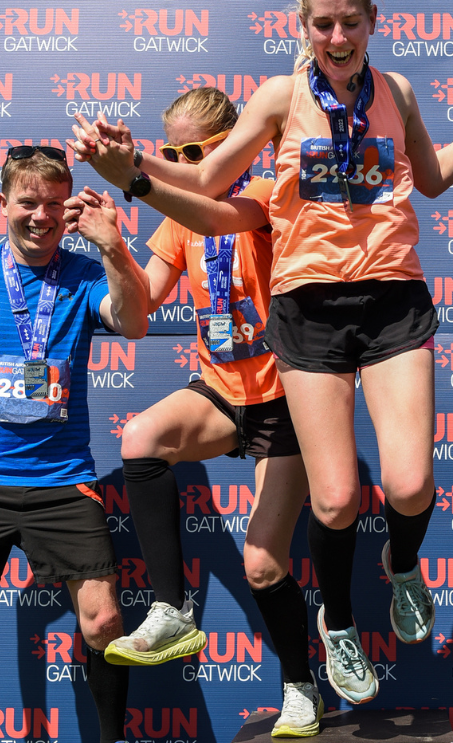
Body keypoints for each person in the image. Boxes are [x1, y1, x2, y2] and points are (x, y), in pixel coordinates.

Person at [71, 0, 453, 706]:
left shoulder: (401, 93)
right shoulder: (282, 97)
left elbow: (435, 176)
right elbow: (210, 179)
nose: (339, 34)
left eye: (352, 20)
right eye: (324, 23)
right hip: (308, 310)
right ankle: (340, 623)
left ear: (373, 22)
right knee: (334, 502)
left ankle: (404, 566)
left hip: (392, 298)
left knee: (411, 484)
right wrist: (134, 173)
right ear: (304, 27)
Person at [70, 87, 321, 736]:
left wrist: (137, 177)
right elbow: (142, 305)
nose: (182, 161)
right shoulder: (176, 217)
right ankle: (172, 609)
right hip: (220, 391)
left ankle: (301, 687)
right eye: (173, 151)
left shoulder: (262, 196)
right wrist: (112, 246)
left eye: (196, 152)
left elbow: (214, 218)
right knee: (141, 436)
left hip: (284, 398)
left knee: (263, 564)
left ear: (230, 147)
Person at [0, 146, 150, 743]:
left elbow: (134, 323)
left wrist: (113, 244)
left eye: (55, 205)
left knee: (104, 620)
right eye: (28, 203)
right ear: (1, 205)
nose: (41, 216)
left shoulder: (88, 273)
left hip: (63, 480)